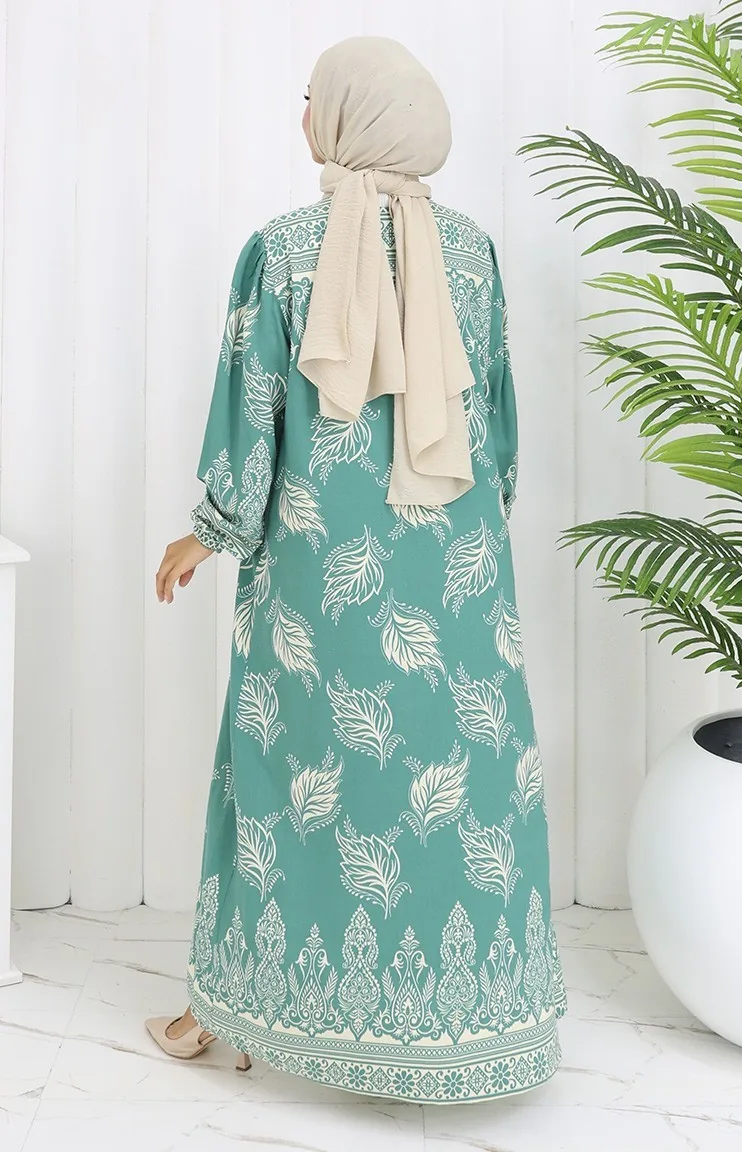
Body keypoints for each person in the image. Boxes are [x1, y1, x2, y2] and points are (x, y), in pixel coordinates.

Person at [147, 36, 567, 1104]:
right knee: (462, 782)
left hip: (315, 572)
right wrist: (476, 534)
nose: (301, 117)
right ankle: (472, 1026)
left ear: (347, 117)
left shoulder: (283, 251)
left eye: (311, 99)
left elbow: (251, 407)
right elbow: (497, 420)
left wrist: (208, 529)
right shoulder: (471, 253)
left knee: (290, 781)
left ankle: (232, 1011)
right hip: (459, 570)